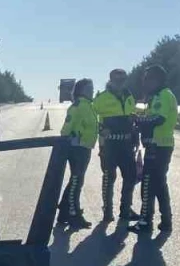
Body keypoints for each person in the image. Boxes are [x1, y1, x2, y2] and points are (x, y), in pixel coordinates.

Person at [131, 65, 177, 233]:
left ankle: (145, 222)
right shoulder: (158, 95)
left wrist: (138, 121)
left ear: (157, 79)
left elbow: (158, 119)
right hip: (158, 145)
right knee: (159, 185)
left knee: (148, 185)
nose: (145, 82)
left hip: (158, 146)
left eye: (148, 78)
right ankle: (166, 221)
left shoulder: (163, 96)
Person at [93, 68, 138, 221]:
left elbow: (132, 118)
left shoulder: (129, 96)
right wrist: (100, 128)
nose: (120, 82)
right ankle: (107, 210)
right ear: (110, 80)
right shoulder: (102, 98)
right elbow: (91, 116)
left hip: (126, 143)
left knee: (130, 176)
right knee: (109, 177)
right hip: (109, 144)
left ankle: (126, 209)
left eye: (123, 79)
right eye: (117, 79)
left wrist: (135, 136)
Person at [57, 78, 98, 228]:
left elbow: (88, 126)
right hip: (77, 148)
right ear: (81, 90)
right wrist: (63, 145)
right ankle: (73, 215)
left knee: (75, 181)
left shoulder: (89, 106)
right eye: (89, 88)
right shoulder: (78, 106)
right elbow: (67, 126)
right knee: (76, 182)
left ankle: (64, 210)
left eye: (92, 88)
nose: (92, 91)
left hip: (85, 147)